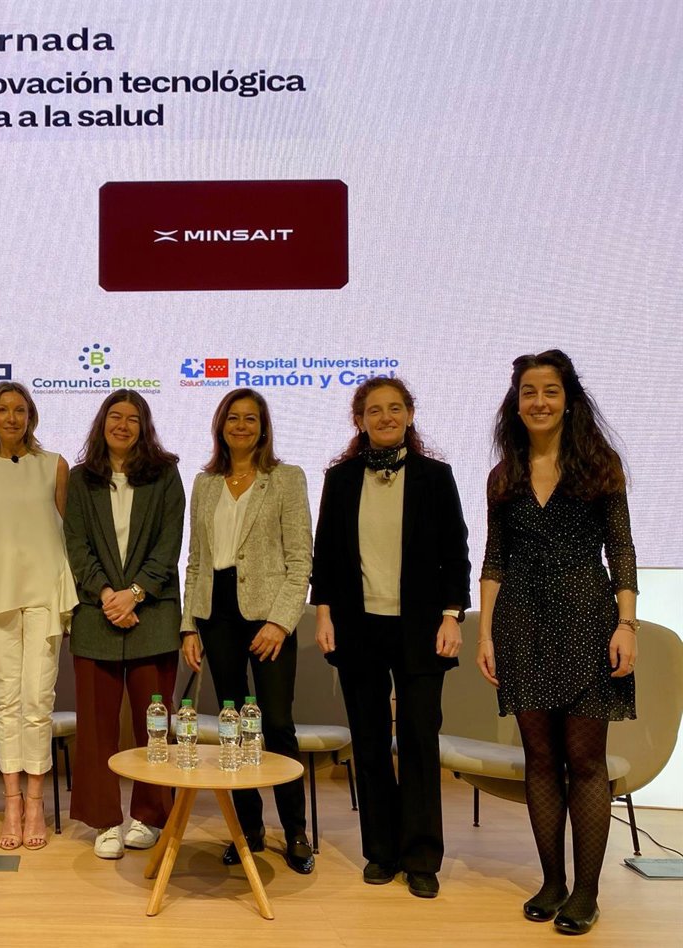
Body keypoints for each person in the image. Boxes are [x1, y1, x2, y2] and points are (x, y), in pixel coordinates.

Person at [477, 350, 637, 935]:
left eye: (549, 391)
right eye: (529, 392)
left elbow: (621, 550)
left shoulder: (599, 465)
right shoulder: (504, 475)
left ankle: (587, 893)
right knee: (540, 760)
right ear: (516, 402)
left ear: (568, 400)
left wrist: (627, 625)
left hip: (589, 620)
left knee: (587, 762)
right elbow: (494, 559)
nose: (539, 401)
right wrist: (485, 633)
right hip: (521, 622)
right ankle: (553, 882)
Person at [310, 377, 470, 899]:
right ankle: (380, 851)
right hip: (357, 626)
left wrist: (452, 615)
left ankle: (421, 857)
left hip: (420, 627)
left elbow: (456, 553)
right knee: (370, 739)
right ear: (360, 419)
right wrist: (323, 614)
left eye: (395, 408)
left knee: (420, 739)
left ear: (409, 415)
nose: (385, 417)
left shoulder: (435, 476)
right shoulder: (339, 478)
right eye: (374, 410)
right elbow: (326, 555)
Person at [180, 387, 314, 873]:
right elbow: (196, 561)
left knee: (276, 724)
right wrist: (189, 626)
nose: (241, 426)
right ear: (220, 426)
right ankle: (248, 830)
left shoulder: (286, 479)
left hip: (267, 615)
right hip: (215, 614)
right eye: (233, 418)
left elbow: (300, 560)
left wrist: (280, 621)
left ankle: (295, 831)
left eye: (250, 419)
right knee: (232, 725)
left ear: (263, 427)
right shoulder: (205, 483)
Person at [0, 381, 78, 850]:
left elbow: (66, 533)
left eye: (20, 410)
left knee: (38, 701)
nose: (11, 418)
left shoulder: (54, 466)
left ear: (31, 417)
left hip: (45, 594)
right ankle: (11, 803)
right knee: (6, 702)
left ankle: (36, 802)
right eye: (3, 410)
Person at [63, 390, 185, 859]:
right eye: (115, 416)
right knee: (96, 729)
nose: (123, 425)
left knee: (154, 724)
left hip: (151, 614)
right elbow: (76, 545)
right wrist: (107, 595)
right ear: (102, 423)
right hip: (96, 614)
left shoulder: (165, 475)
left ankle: (151, 815)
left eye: (133, 418)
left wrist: (134, 594)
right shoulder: (81, 479)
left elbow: (169, 545)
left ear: (144, 427)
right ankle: (104, 820)